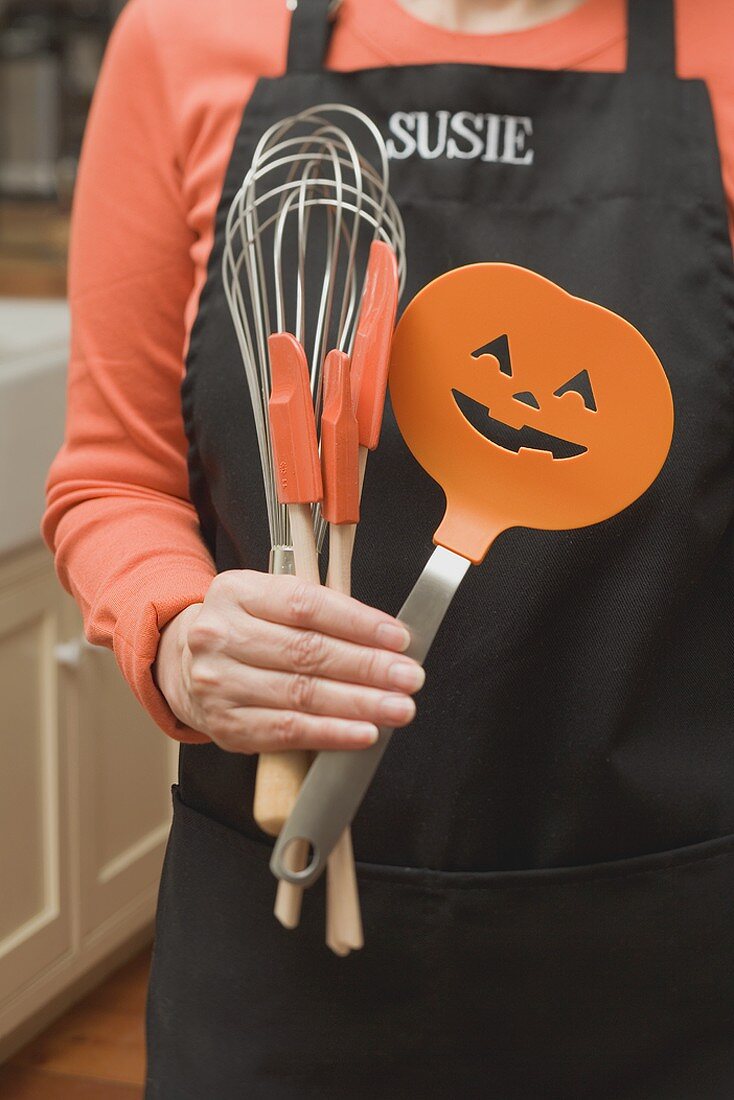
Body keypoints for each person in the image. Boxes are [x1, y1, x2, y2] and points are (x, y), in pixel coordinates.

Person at [42, 0, 734, 1095]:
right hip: (274, 952)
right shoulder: (185, 35)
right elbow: (111, 478)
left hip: (661, 944)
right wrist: (176, 633)